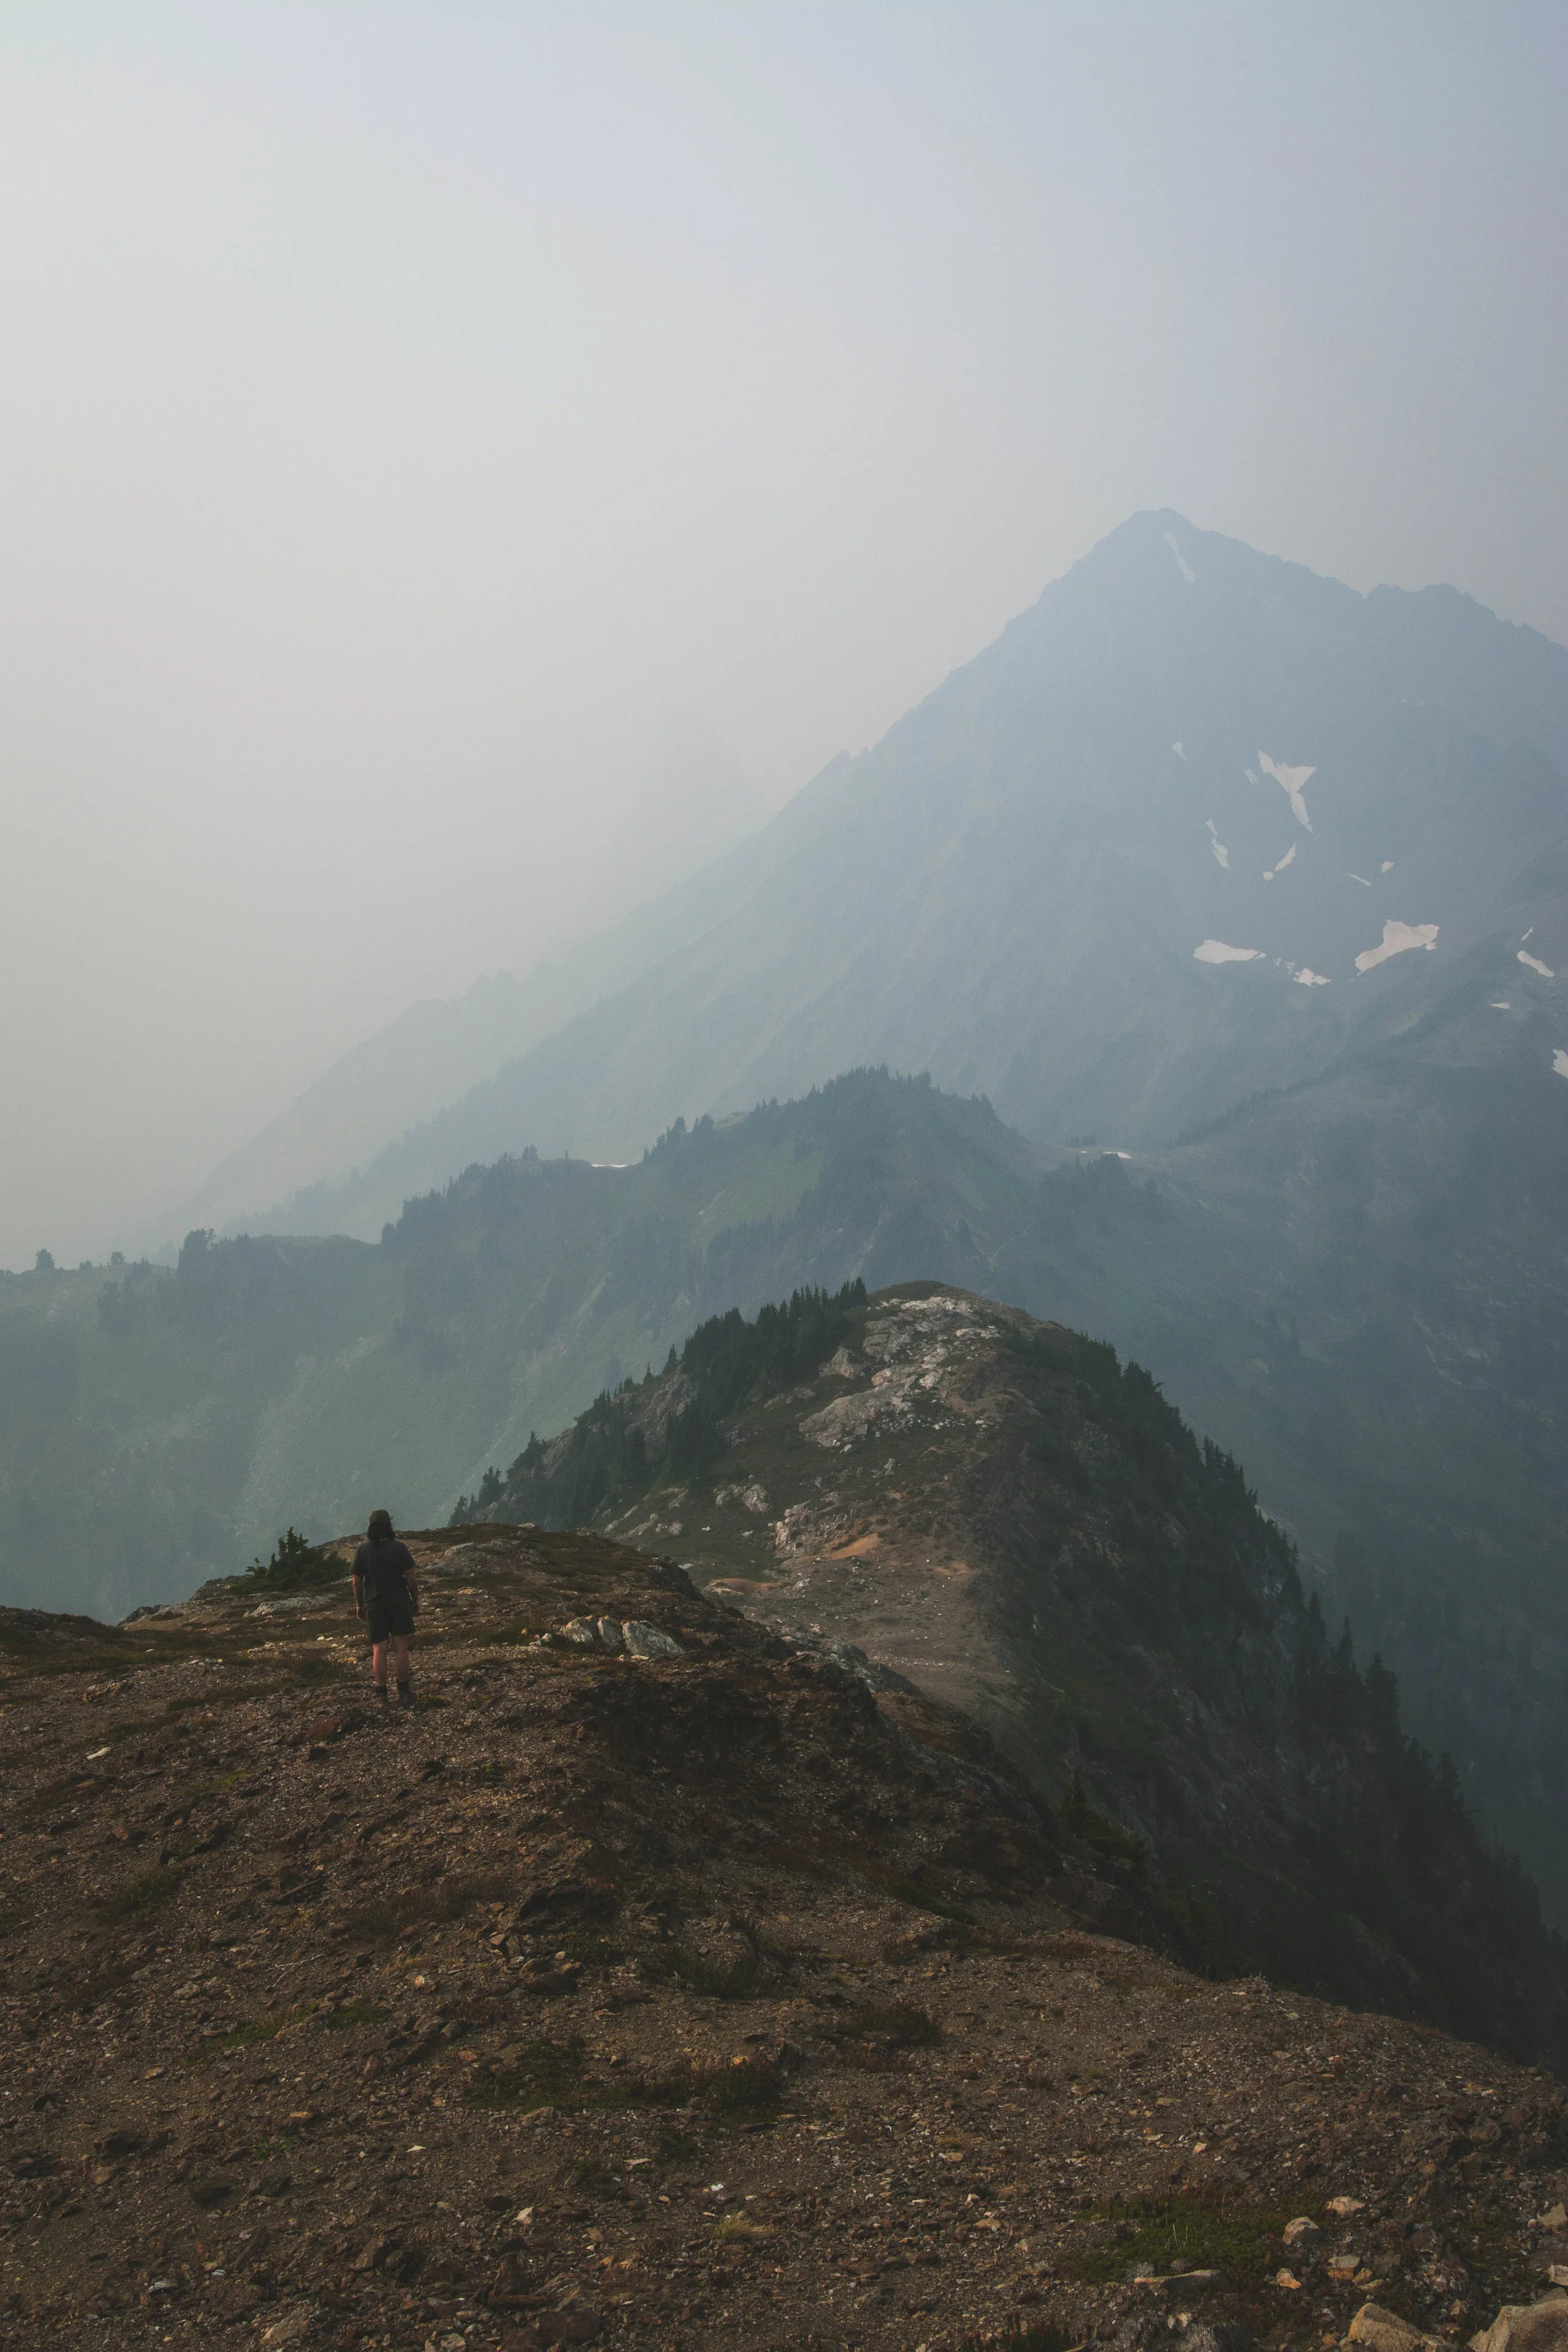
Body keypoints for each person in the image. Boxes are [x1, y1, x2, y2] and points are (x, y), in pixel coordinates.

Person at [352, 1508, 421, 1708]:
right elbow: (412, 1577)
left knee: (379, 1649)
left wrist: (359, 1605)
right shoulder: (399, 1548)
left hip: (374, 1604)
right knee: (401, 1646)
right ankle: (404, 1691)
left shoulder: (363, 1551)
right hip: (399, 1602)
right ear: (389, 1526)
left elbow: (357, 1582)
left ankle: (381, 1695)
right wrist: (415, 1600)